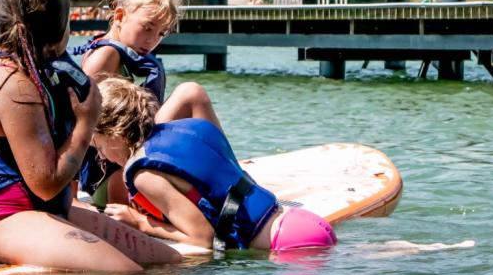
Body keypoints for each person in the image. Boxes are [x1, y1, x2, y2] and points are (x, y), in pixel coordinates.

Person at [0, 0, 183, 273]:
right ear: (60, 26)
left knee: (170, 262)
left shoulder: (37, 71)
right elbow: (45, 184)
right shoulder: (12, 85)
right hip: (1, 218)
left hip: (40, 209)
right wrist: (87, 121)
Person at [92, 77, 336, 256]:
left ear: (115, 132)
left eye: (99, 145)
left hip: (286, 245)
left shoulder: (143, 175)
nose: (101, 155)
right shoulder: (191, 128)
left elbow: (202, 239)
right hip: (301, 221)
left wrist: (139, 222)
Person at [74, 0, 221, 206]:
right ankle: (224, 173)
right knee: (191, 94)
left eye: (161, 33)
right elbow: (84, 127)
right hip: (112, 178)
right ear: (120, 15)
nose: (152, 39)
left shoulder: (126, 54)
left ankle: (221, 167)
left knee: (191, 97)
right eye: (147, 27)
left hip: (134, 163)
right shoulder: (106, 56)